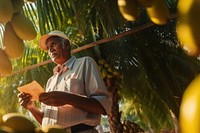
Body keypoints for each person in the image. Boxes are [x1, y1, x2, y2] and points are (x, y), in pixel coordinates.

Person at [18, 30, 112, 133]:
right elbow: (46, 121)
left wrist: (68, 99)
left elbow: (103, 106)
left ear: (66, 44)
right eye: (48, 48)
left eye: (53, 44)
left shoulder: (84, 63)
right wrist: (31, 107)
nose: (50, 50)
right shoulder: (51, 81)